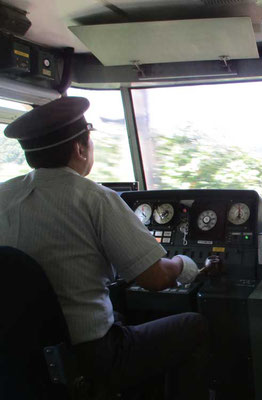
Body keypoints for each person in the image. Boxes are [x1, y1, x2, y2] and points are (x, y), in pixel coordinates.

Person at [0, 96, 210, 399]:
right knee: (194, 327)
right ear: (80, 148)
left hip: (18, 358)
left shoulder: (4, 195)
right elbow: (155, 279)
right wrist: (185, 264)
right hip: (88, 357)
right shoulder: (93, 198)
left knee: (123, 319)